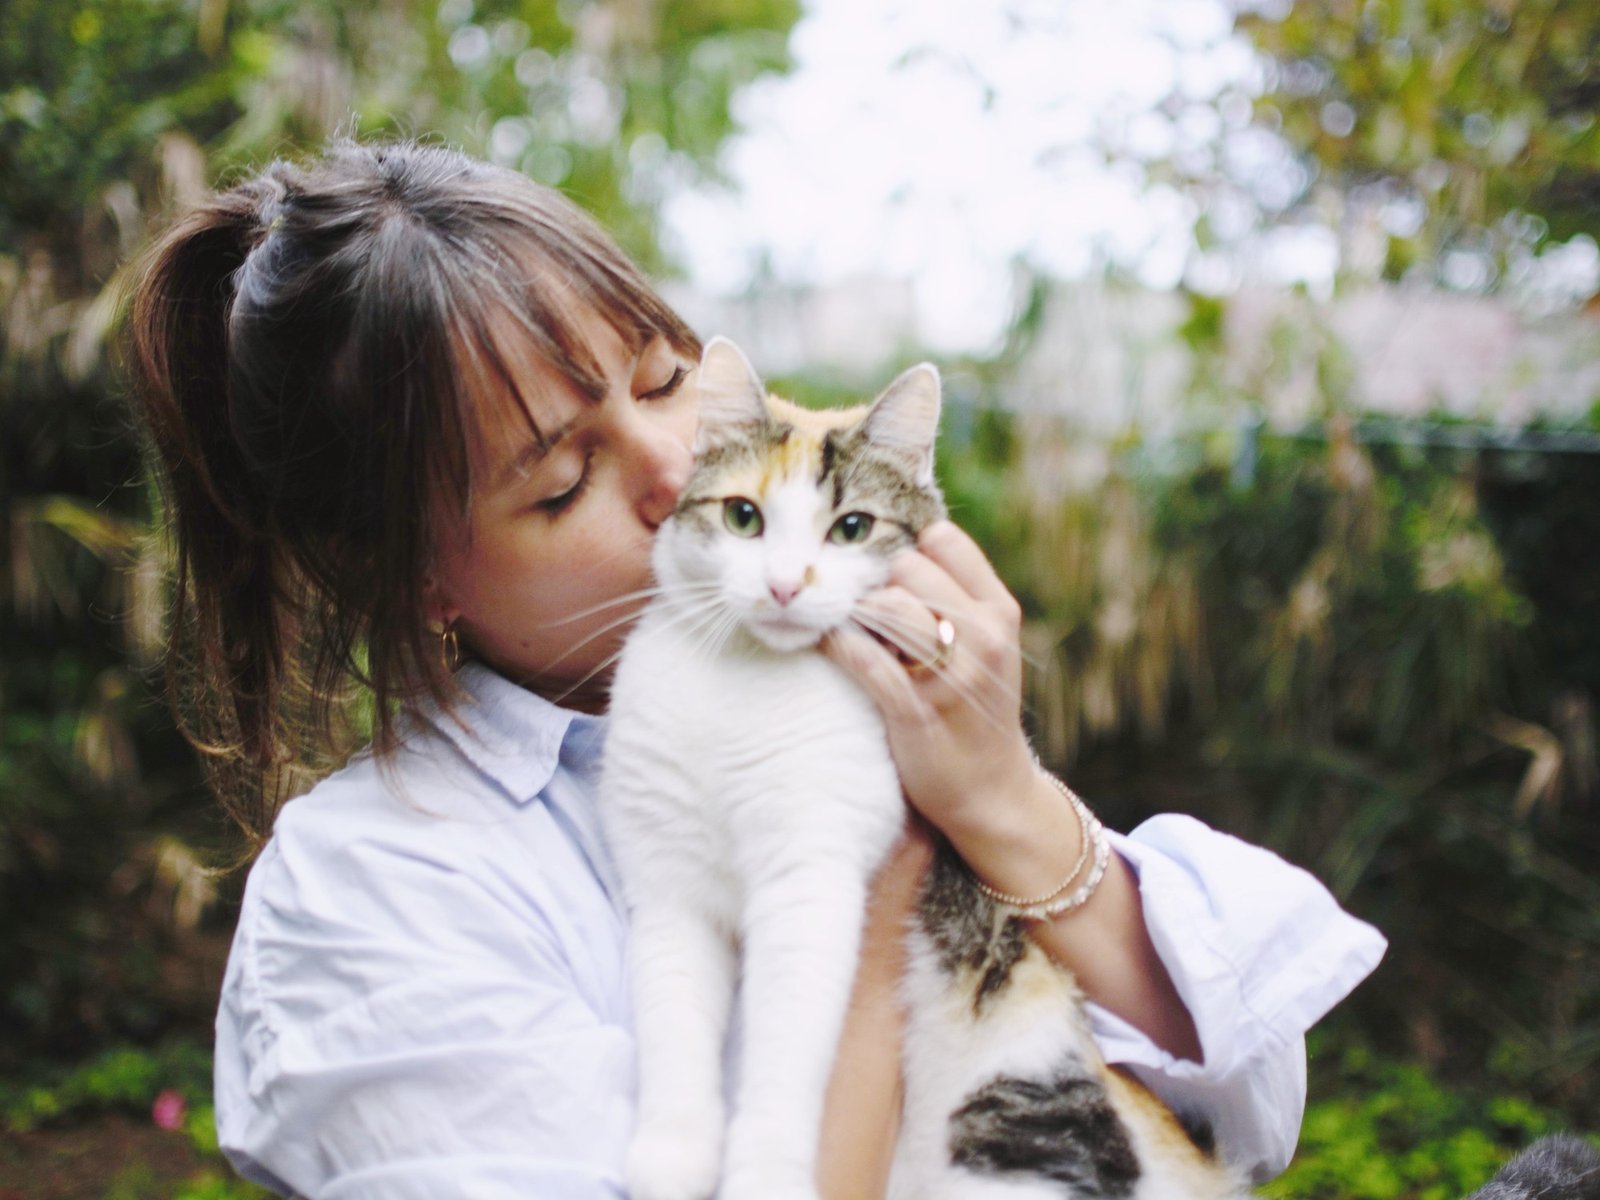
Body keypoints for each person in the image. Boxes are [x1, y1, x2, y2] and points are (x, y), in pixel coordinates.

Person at [125, 139, 1385, 1199]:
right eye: (561, 482)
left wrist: (1000, 796)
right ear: (420, 579)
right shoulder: (377, 893)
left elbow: (1245, 1096)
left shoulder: (840, 685)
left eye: (669, 377)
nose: (680, 470)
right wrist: (883, 897)